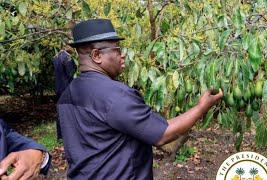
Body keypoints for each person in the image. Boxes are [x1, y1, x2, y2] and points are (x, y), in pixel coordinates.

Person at [57, 19, 223, 179]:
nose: (123, 56)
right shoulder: (115, 95)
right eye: (117, 50)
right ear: (97, 55)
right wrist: (201, 107)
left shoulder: (67, 94)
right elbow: (163, 134)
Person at [52, 45, 76, 140]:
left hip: (58, 87)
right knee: (69, 110)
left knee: (60, 110)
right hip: (67, 87)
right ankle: (68, 134)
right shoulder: (67, 57)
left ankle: (60, 135)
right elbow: (71, 74)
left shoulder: (56, 57)